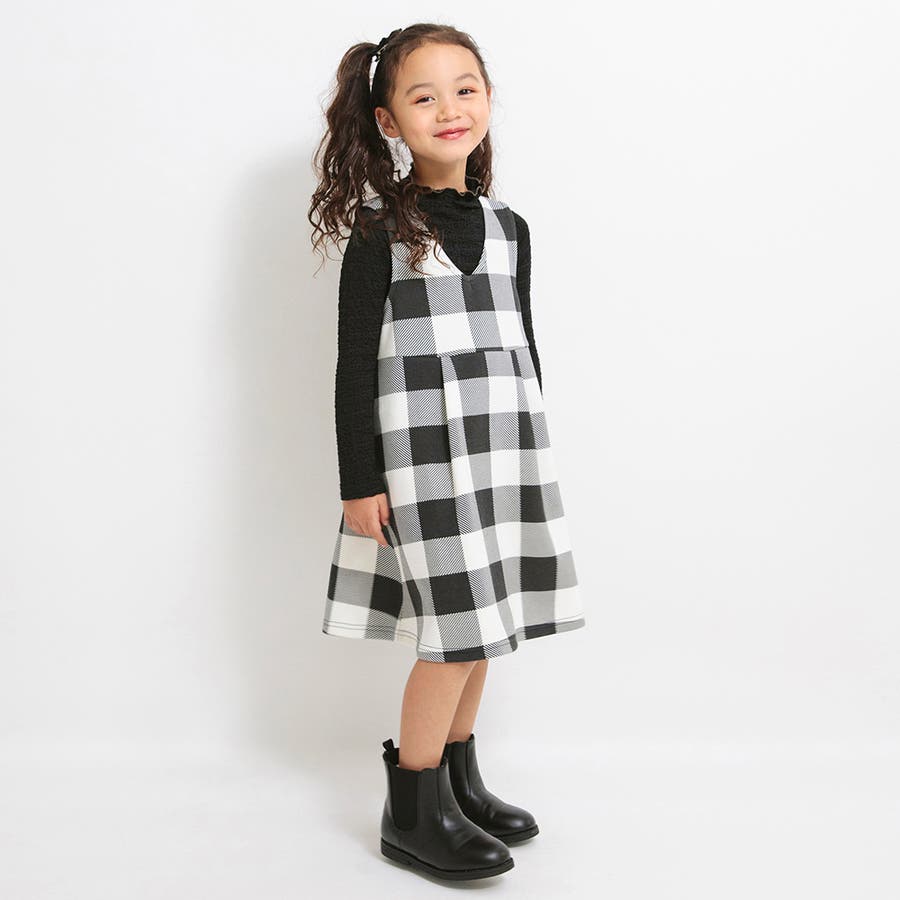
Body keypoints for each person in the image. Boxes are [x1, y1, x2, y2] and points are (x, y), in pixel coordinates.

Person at [308, 22, 586, 881]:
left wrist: (534, 450)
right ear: (389, 121)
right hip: (424, 462)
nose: (450, 108)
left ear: (489, 100)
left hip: (502, 455)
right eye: (423, 96)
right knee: (456, 634)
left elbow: (521, 344)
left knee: (488, 625)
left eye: (465, 89)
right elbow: (355, 366)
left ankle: (459, 784)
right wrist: (359, 481)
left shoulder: (510, 227)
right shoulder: (379, 232)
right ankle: (413, 807)